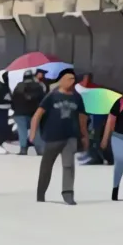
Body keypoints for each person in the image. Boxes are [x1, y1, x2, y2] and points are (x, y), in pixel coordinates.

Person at [31, 71, 89, 205]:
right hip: (53, 136)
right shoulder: (52, 96)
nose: (71, 81)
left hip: (71, 136)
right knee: (47, 165)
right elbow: (37, 114)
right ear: (61, 81)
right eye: (68, 79)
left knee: (68, 165)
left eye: (73, 79)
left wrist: (84, 135)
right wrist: (33, 132)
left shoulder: (77, 97)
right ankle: (41, 192)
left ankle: (68, 193)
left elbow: (82, 118)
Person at [10, 72, 44, 156]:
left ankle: (23, 149)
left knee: (22, 131)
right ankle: (39, 150)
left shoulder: (18, 86)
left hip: (20, 113)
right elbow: (43, 100)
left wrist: (15, 109)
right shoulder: (38, 86)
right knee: (36, 130)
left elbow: (13, 100)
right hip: (34, 113)